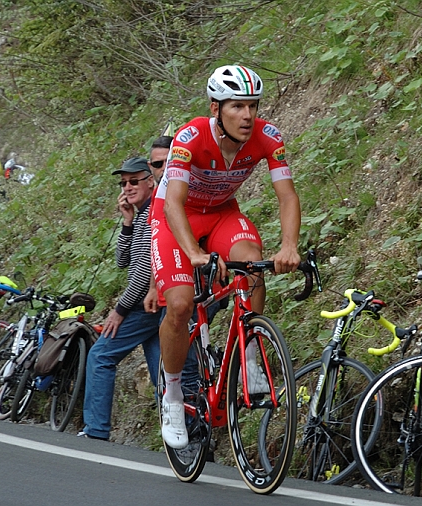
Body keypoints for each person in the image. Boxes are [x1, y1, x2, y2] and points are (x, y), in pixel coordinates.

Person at [150, 64, 302, 449]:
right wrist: (194, 253)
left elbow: (287, 195)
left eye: (252, 105)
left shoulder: (268, 136)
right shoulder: (190, 135)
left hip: (221, 213)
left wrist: (289, 245)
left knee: (252, 263)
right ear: (215, 108)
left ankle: (249, 356)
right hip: (175, 216)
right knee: (181, 305)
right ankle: (171, 396)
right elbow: (173, 204)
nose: (247, 115)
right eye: (237, 106)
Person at [79, 157, 161, 441]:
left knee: (101, 356)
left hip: (145, 305)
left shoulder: (155, 214)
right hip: (150, 305)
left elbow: (143, 273)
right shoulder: (140, 215)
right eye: (123, 183)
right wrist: (127, 221)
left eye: (134, 181)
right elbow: (123, 260)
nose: (127, 187)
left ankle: (96, 428)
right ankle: (189, 439)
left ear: (150, 181)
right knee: (163, 373)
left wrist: (120, 310)